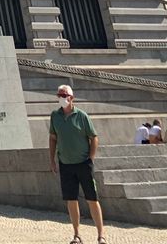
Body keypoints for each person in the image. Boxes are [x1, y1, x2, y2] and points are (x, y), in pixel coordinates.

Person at [49, 84, 107, 244]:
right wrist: (52, 159)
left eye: (64, 95)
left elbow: (94, 137)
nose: (61, 98)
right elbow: (53, 138)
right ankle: (77, 235)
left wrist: (91, 158)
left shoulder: (82, 115)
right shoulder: (55, 116)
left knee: (92, 199)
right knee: (71, 200)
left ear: (71, 97)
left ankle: (101, 235)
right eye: (59, 95)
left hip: (83, 163)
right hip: (65, 164)